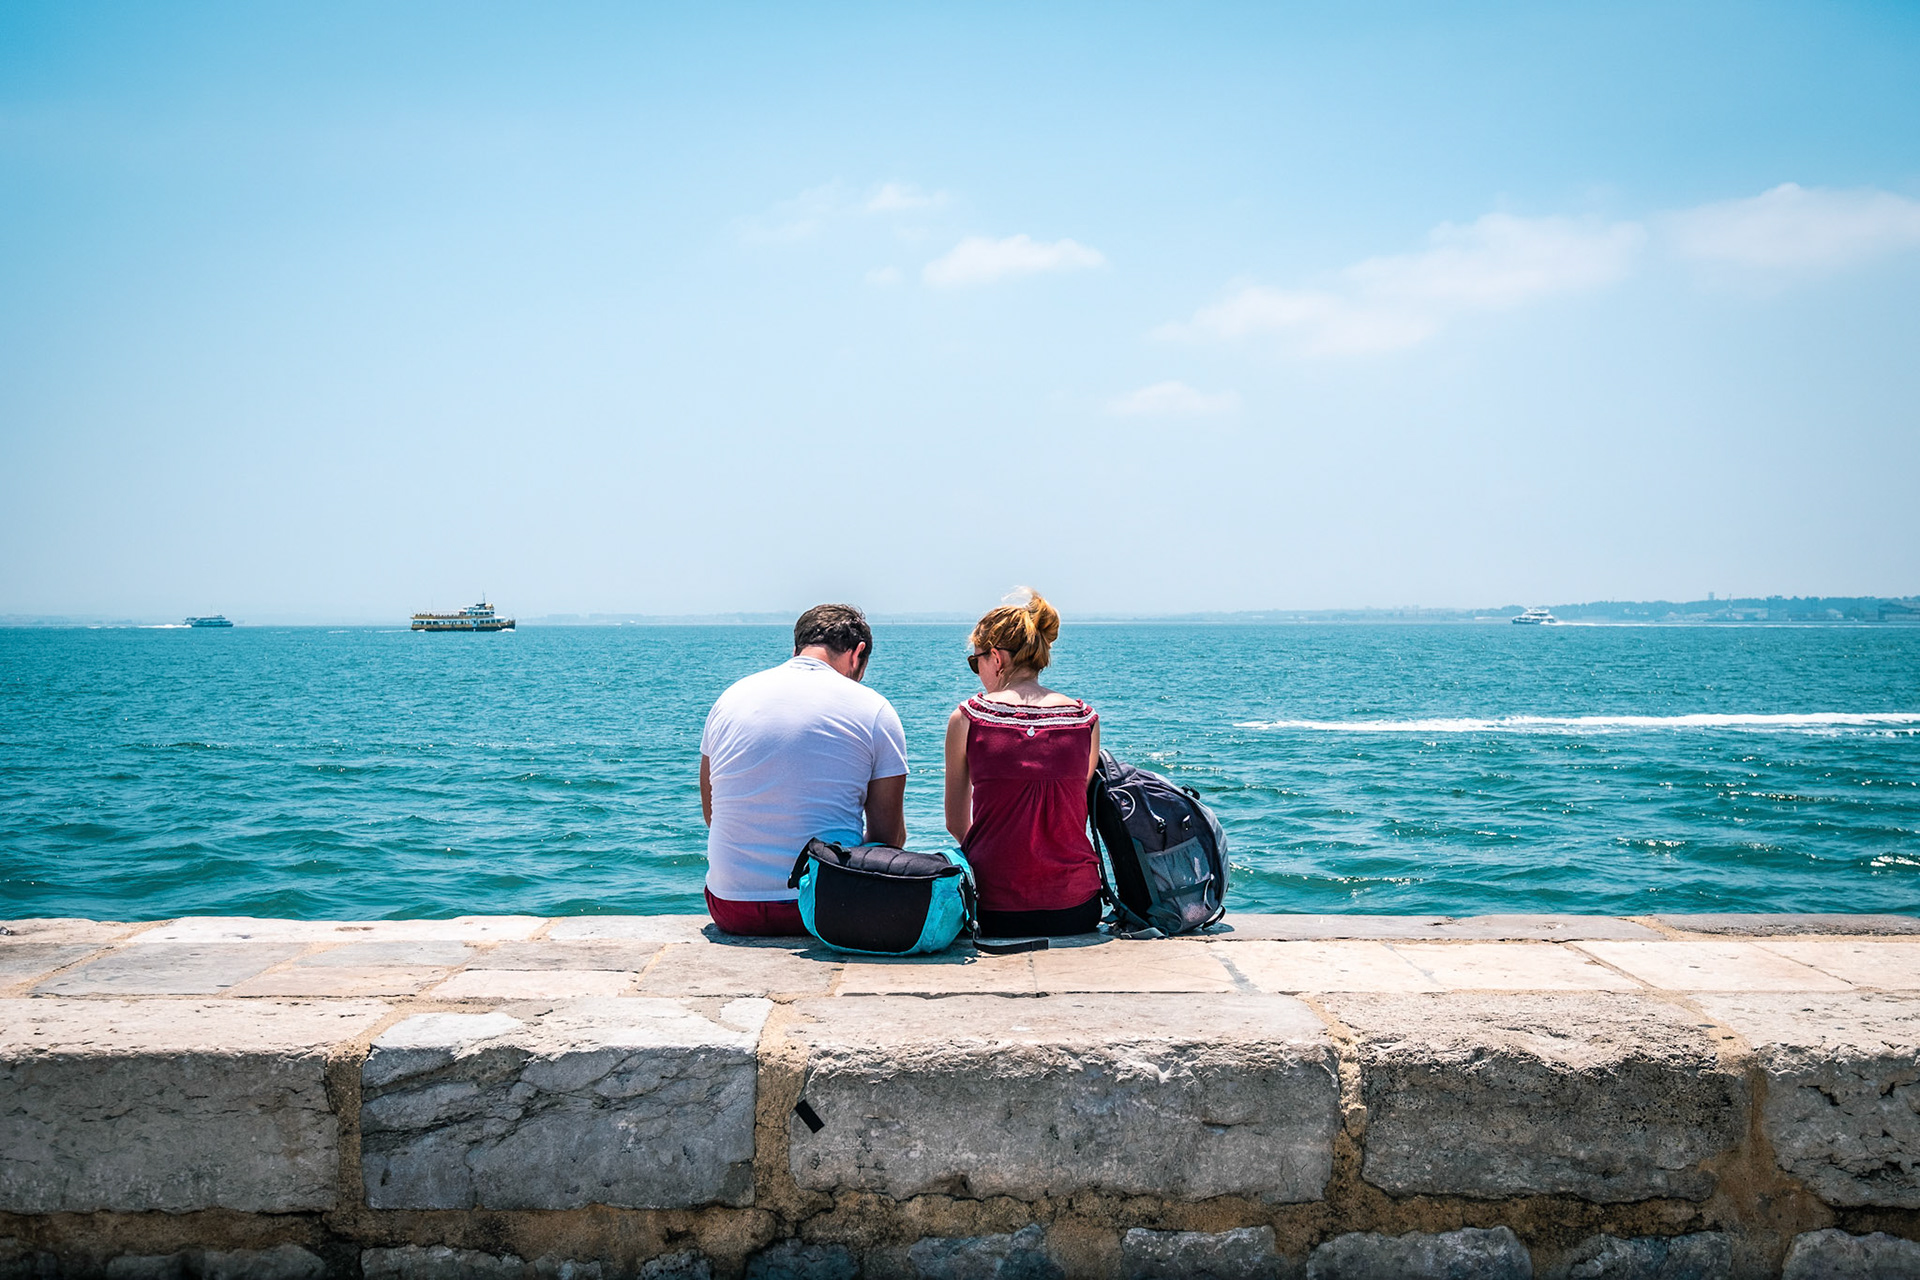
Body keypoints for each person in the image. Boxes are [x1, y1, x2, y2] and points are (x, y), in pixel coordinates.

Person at [700, 603, 908, 936]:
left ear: (797, 648)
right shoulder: (874, 709)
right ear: (858, 653)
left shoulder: (729, 699)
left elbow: (712, 814)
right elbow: (889, 839)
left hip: (730, 907)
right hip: (828, 906)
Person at [944, 588, 1103, 937]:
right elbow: (1074, 811)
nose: (978, 671)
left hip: (994, 908)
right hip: (1077, 908)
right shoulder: (1083, 719)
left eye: (977, 662)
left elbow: (956, 822)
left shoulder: (968, 718)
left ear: (997, 658)